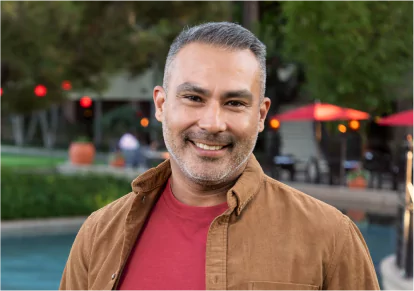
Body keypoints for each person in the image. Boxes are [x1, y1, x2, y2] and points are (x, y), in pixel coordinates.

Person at [60, 22, 380, 291]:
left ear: (260, 114)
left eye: (235, 103)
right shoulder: (99, 234)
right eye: (193, 97)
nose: (212, 123)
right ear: (161, 105)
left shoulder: (331, 238)